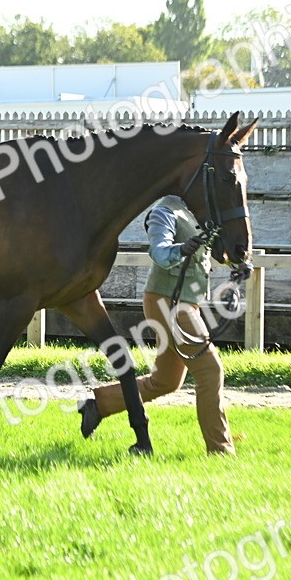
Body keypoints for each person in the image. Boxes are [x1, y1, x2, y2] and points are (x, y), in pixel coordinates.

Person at [76, 194, 235, 455]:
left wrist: (238, 262)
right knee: (210, 370)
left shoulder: (194, 209)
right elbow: (159, 251)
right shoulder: (164, 211)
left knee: (166, 380)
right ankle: (220, 450)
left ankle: (100, 404)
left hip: (183, 302)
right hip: (169, 304)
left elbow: (213, 253)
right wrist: (181, 250)